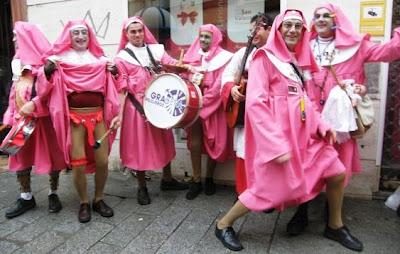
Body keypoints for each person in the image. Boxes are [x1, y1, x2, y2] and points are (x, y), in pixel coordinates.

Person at [215, 10, 363, 252]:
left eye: (298, 26)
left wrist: (322, 126)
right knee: (266, 192)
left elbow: (305, 101)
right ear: (279, 30)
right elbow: (256, 105)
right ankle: (223, 224)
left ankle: (335, 225)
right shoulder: (264, 58)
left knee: (336, 172)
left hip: (306, 138)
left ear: (304, 31)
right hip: (281, 139)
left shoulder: (295, 62)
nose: (293, 30)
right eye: (288, 25)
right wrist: (275, 145)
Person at [287, 3, 400, 236]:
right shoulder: (303, 46)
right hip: (309, 120)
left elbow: (390, 51)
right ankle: (301, 213)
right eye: (316, 15)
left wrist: (360, 89)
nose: (320, 19)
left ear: (336, 20)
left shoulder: (356, 47)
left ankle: (332, 216)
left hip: (340, 123)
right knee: (305, 167)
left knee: (337, 169)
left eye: (326, 15)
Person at [39, 20, 120, 223]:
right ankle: (84, 202)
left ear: (89, 35)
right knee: (78, 163)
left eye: (84, 33)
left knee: (102, 161)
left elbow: (118, 84)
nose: (81, 37)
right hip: (75, 118)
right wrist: (48, 72)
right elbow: (43, 87)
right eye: (76, 33)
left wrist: (115, 71)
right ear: (69, 36)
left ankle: (98, 199)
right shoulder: (59, 60)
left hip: (99, 116)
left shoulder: (100, 59)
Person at [114, 16, 188, 206]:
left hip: (158, 103)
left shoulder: (156, 50)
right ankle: (141, 186)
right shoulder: (121, 58)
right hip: (136, 108)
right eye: (133, 31)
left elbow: (171, 63)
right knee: (140, 145)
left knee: (164, 139)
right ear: (126, 34)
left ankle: (168, 179)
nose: (137, 34)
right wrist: (120, 113)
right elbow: (122, 87)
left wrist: (183, 65)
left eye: (140, 30)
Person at [3, 22, 66, 219]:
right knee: (19, 155)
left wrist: (35, 103)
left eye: (16, 36)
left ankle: (53, 194)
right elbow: (14, 92)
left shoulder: (46, 64)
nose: (14, 40)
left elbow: (51, 92)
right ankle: (26, 196)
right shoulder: (18, 63)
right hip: (21, 120)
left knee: (52, 157)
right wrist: (9, 114)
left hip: (43, 122)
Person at [221, 13, 272, 195]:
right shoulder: (243, 53)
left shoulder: (277, 53)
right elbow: (227, 75)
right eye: (250, 31)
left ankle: (267, 194)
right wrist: (231, 89)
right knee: (244, 151)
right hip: (246, 112)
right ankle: (244, 192)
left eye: (256, 29)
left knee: (268, 153)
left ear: (269, 29)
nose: (252, 34)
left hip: (269, 113)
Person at [183, 24, 233, 200]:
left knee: (213, 141)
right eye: (201, 36)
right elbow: (185, 78)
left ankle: (210, 177)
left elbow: (221, 83)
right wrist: (194, 99)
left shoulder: (225, 58)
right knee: (194, 142)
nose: (203, 40)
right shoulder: (192, 56)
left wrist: (206, 100)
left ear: (215, 38)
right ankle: (196, 180)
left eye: (207, 37)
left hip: (213, 105)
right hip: (195, 104)